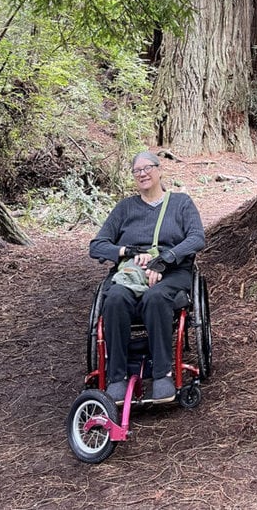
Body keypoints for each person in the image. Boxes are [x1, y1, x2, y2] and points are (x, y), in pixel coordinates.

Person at [89, 151, 205, 404]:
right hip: (132, 274)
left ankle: (162, 373)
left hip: (172, 272)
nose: (142, 173)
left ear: (159, 170)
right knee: (115, 298)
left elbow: (197, 238)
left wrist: (165, 259)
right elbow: (97, 245)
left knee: (156, 298)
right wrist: (126, 251)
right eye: (136, 170)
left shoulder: (181, 203)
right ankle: (116, 377)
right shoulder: (125, 208)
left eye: (148, 167)